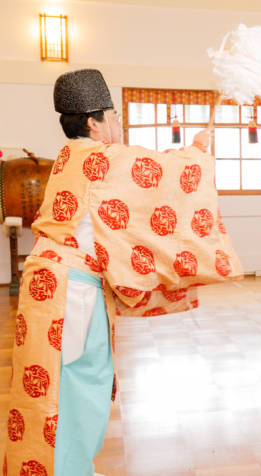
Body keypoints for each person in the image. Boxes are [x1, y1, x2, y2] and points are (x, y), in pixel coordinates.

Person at [4, 69, 242, 476]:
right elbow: (169, 176)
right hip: (69, 290)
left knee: (52, 381)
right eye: (113, 115)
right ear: (94, 122)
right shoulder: (100, 157)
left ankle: (57, 466)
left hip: (50, 282)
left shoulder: (70, 155)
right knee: (77, 384)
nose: (120, 123)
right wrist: (199, 152)